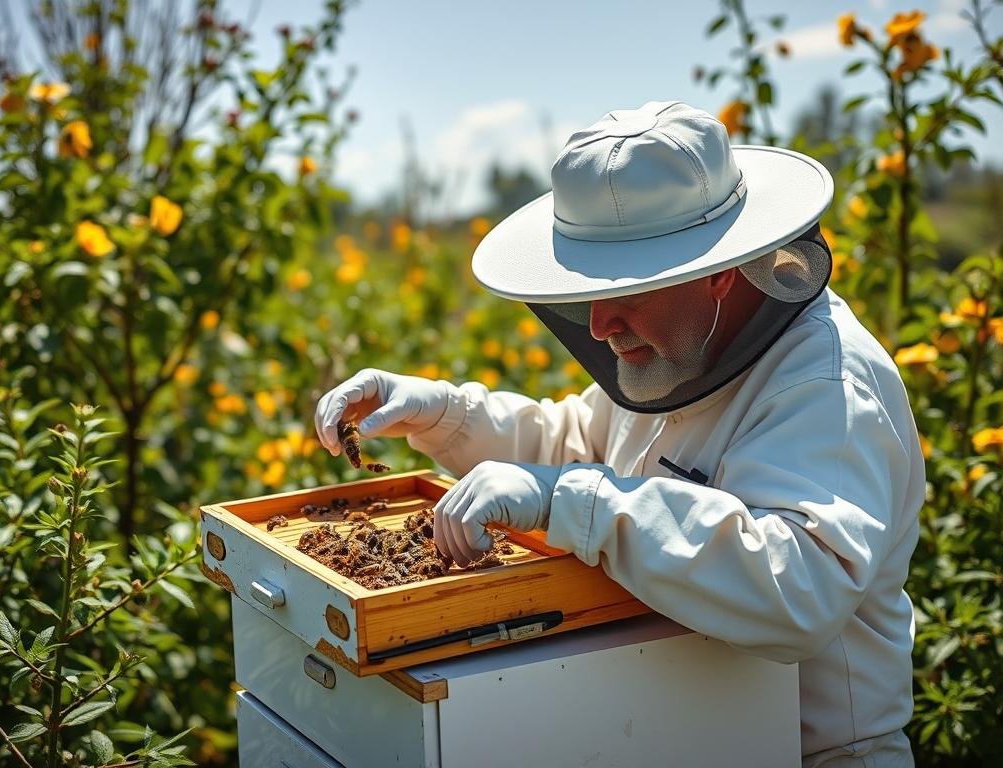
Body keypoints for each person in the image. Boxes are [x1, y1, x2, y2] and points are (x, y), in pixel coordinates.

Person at [315, 101, 923, 767]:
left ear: (719, 269)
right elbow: (573, 449)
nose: (600, 324)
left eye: (627, 288)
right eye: (585, 289)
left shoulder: (826, 384)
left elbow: (799, 587)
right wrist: (441, 414)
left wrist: (569, 499)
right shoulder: (683, 345)